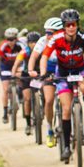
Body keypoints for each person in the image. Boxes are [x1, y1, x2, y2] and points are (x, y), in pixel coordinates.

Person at [38, 9, 84, 161]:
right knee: (66, 108)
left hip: (81, 69)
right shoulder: (56, 38)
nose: (71, 27)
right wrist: (43, 73)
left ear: (78, 24)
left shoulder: (83, 37)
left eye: (74, 24)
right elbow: (44, 57)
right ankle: (65, 146)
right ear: (64, 25)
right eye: (68, 24)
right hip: (63, 72)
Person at [28, 17, 63, 147]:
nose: (47, 35)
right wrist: (31, 69)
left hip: (63, 70)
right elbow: (34, 56)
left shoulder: (66, 40)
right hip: (48, 71)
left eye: (50, 33)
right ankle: (50, 129)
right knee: (48, 101)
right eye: (46, 32)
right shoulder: (43, 41)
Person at [0, 27, 22, 123]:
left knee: (20, 75)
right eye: (8, 39)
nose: (9, 42)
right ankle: (5, 112)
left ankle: (20, 92)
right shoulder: (3, 45)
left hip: (17, 66)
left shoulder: (20, 45)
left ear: (16, 39)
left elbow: (27, 56)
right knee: (6, 89)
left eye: (12, 39)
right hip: (5, 67)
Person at [12, 31, 41, 135]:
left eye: (36, 42)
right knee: (27, 99)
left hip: (39, 74)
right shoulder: (24, 52)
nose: (34, 44)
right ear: (28, 43)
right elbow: (17, 63)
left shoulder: (42, 51)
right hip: (26, 75)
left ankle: (41, 108)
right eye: (32, 42)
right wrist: (13, 74)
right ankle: (28, 124)